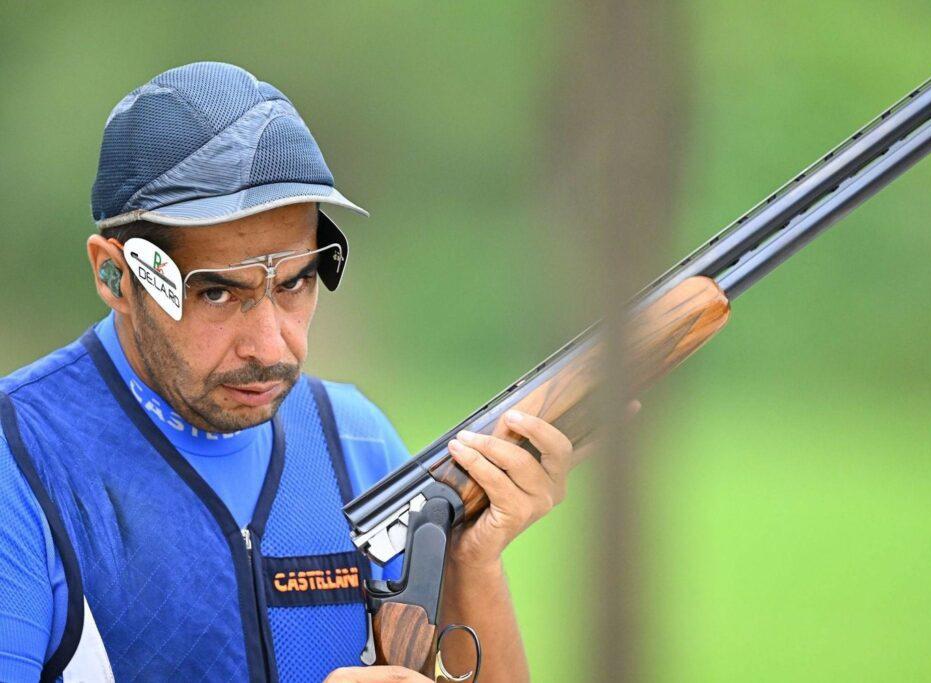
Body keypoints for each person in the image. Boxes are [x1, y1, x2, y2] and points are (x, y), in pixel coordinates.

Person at [0, 62, 620, 683]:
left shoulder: (354, 438)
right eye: (216, 293)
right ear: (114, 274)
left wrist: (470, 565)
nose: (271, 346)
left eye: (295, 283)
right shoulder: (19, 456)